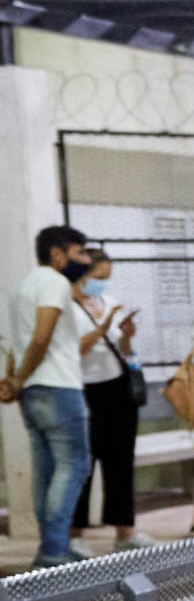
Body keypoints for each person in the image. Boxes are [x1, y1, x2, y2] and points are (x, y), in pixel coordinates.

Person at [3, 224, 103, 568]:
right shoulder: (54, 282)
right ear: (58, 254)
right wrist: (18, 379)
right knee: (74, 466)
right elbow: (41, 338)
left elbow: (18, 342)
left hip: (33, 392)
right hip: (58, 388)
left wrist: (15, 380)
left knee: (46, 471)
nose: (85, 259)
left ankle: (53, 546)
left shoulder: (22, 287)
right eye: (80, 252)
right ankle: (54, 550)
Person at [76, 248, 143, 549]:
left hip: (117, 389)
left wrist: (126, 334)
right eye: (98, 277)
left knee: (120, 462)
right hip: (84, 389)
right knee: (82, 464)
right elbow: (73, 350)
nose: (102, 284)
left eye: (107, 278)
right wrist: (103, 327)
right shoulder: (68, 308)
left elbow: (125, 352)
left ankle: (125, 531)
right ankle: (76, 534)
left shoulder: (110, 303)